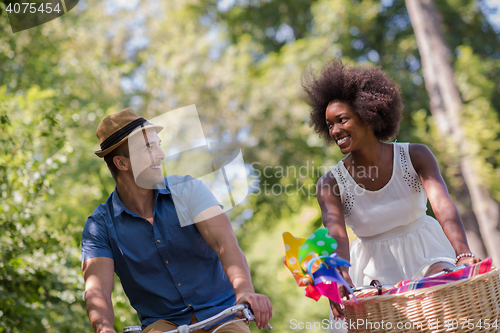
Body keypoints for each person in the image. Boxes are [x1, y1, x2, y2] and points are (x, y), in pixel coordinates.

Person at [302, 60, 480, 332]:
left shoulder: (415, 155)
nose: (335, 130)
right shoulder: (329, 183)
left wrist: (463, 253)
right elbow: (336, 234)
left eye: (342, 120)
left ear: (367, 114)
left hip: (427, 253)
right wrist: (341, 276)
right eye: (329, 124)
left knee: (446, 300)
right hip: (372, 271)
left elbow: (442, 204)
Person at [81, 108, 272, 333]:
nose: (161, 155)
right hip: (162, 324)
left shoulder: (187, 190)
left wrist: (245, 292)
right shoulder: (100, 226)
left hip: (221, 313)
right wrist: (104, 329)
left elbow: (225, 243)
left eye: (158, 144)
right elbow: (98, 291)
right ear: (122, 163)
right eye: (149, 148)